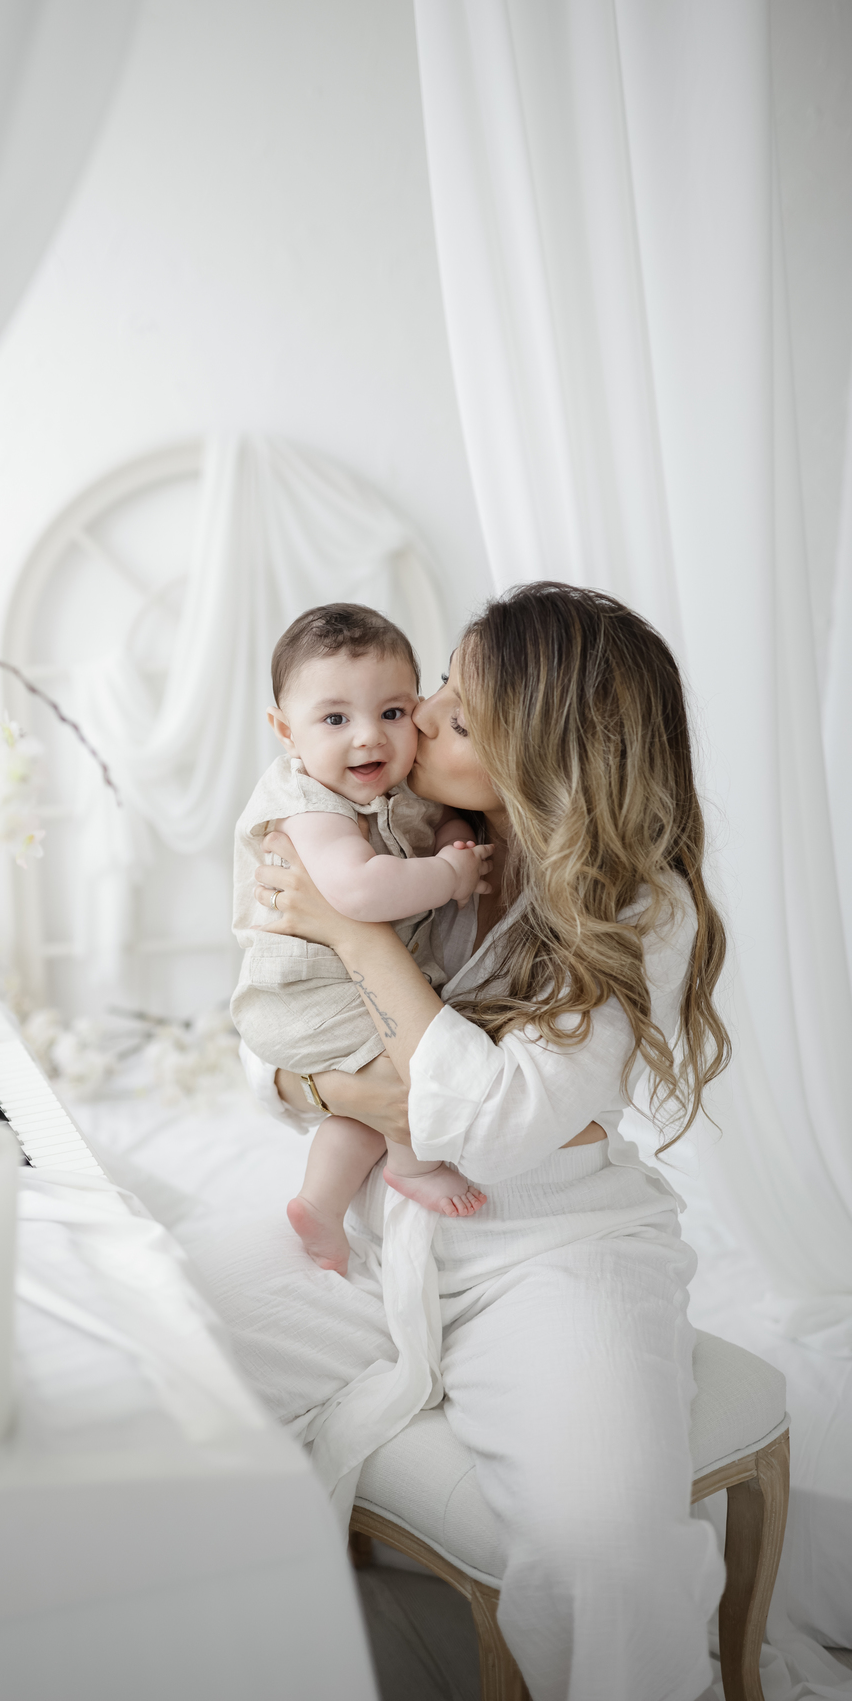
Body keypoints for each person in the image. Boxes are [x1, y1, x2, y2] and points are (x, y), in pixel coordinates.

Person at [198, 582, 733, 1701]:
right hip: (390, 1214)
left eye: (457, 709)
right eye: (437, 681)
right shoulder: (390, 829)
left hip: (555, 1239)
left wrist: (357, 934)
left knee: (607, 1551)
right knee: (156, 1346)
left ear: (545, 754)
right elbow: (267, 1043)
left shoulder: (644, 909)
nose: (417, 713)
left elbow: (490, 1129)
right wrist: (334, 1075)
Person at [230, 604, 494, 1276]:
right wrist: (447, 872)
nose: (368, 739)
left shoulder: (376, 781)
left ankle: (320, 1203)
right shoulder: (307, 807)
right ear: (286, 733)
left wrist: (442, 834)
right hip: (310, 996)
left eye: (393, 713)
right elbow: (357, 893)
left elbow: (426, 815)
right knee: (415, 1063)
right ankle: (413, 1160)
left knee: (375, 1077)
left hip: (336, 994)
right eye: (335, 719)